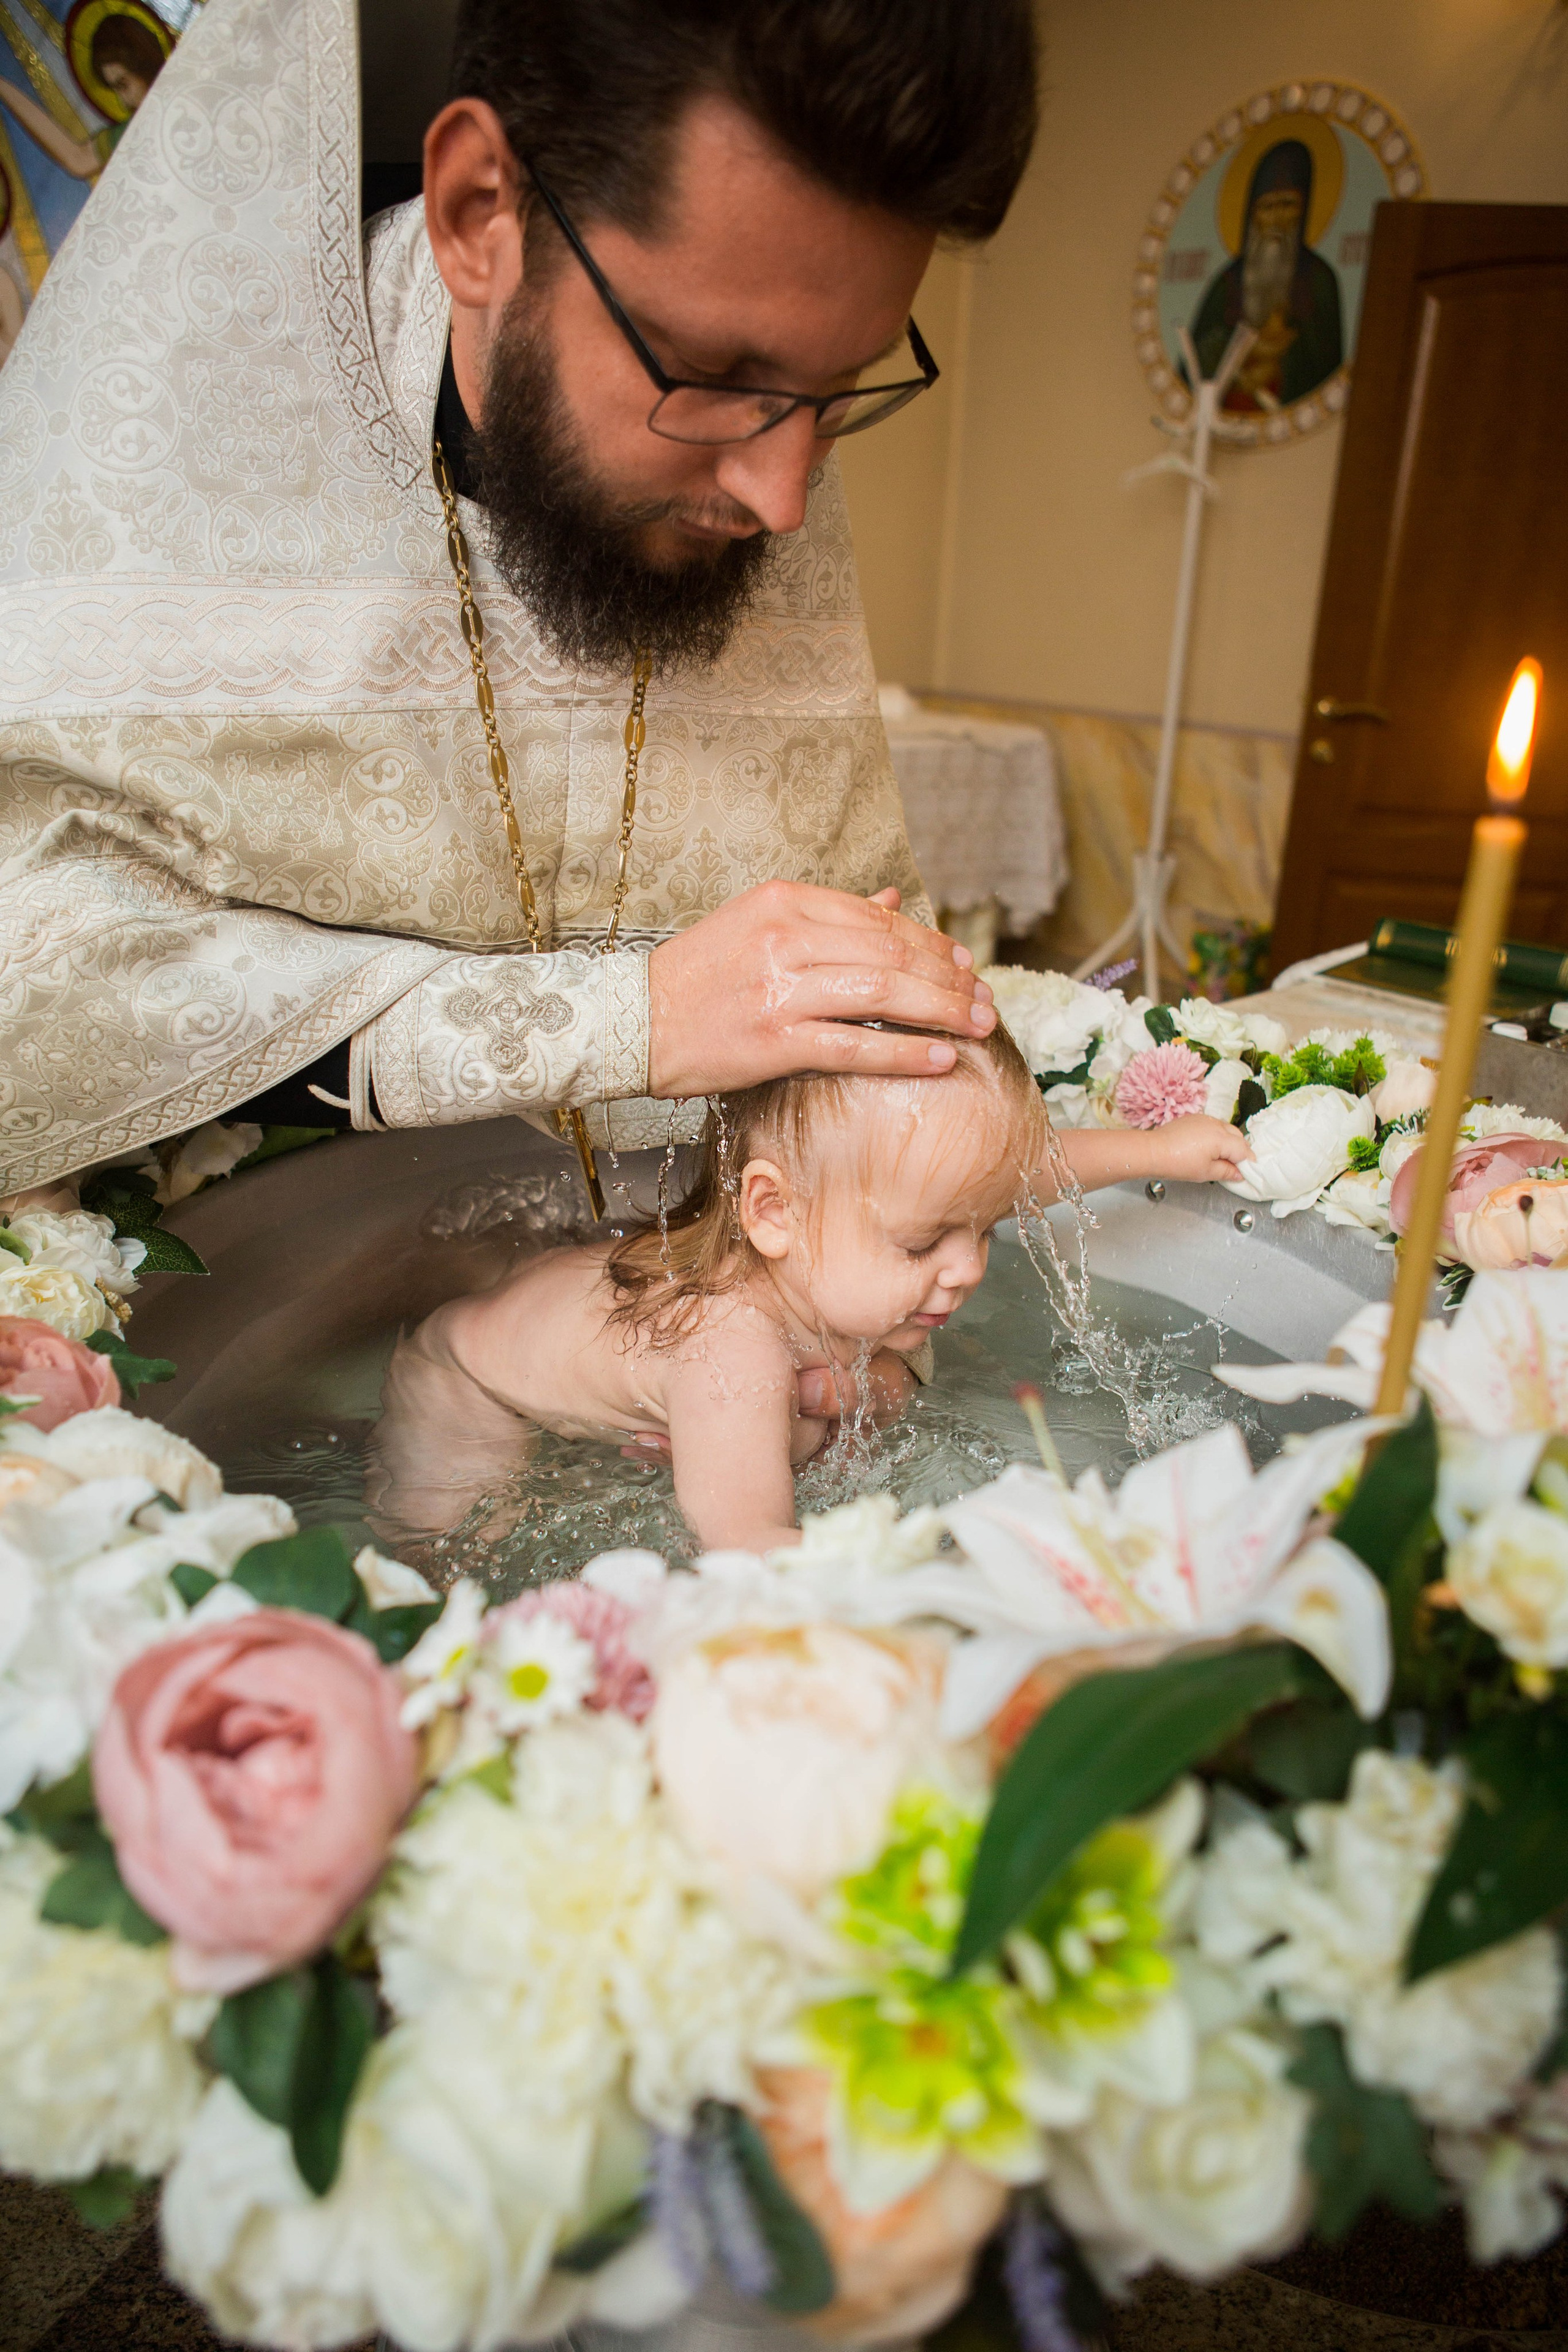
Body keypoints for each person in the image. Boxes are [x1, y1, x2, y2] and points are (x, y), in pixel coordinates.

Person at [0, 0, 1037, 1212]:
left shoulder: (760, 454)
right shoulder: (167, 460)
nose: (781, 497)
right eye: (715, 377)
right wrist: (621, 1019)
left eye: (838, 390)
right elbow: (37, 991)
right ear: (478, 214)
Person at [366, 1029, 1249, 1552]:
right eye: (923, 1241)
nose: (972, 1266)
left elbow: (1015, 1173)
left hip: (569, 1300)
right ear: (772, 1211)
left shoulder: (807, 1257)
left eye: (979, 1230)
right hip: (467, 1378)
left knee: (825, 1415)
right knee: (459, 1551)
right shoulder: (731, 1355)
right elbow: (747, 1550)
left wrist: (1158, 1153)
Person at [1191, 138, 1343, 409]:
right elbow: (1194, 364)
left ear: (1304, 209)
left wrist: (1279, 362)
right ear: (1253, 214)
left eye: (1287, 205)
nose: (1276, 219)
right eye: (1267, 207)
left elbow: (1326, 364)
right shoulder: (1227, 283)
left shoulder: (1320, 279)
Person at [0, 11, 166, 181]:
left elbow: (78, 159)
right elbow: (78, 159)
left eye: (123, 85)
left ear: (144, 68)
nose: (124, 102)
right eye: (115, 89)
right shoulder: (134, 131)